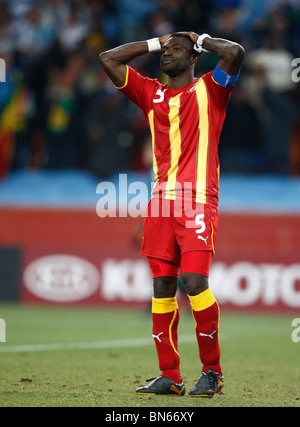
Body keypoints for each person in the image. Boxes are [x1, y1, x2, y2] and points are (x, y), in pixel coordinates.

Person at [99, 31, 244, 398]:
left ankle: (213, 372)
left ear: (193, 57)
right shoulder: (151, 93)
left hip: (197, 200)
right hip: (161, 203)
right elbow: (108, 59)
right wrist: (155, 41)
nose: (168, 54)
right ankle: (171, 375)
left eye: (176, 49)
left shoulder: (212, 90)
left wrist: (202, 38)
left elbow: (235, 53)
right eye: (165, 50)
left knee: (194, 281)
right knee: (162, 287)